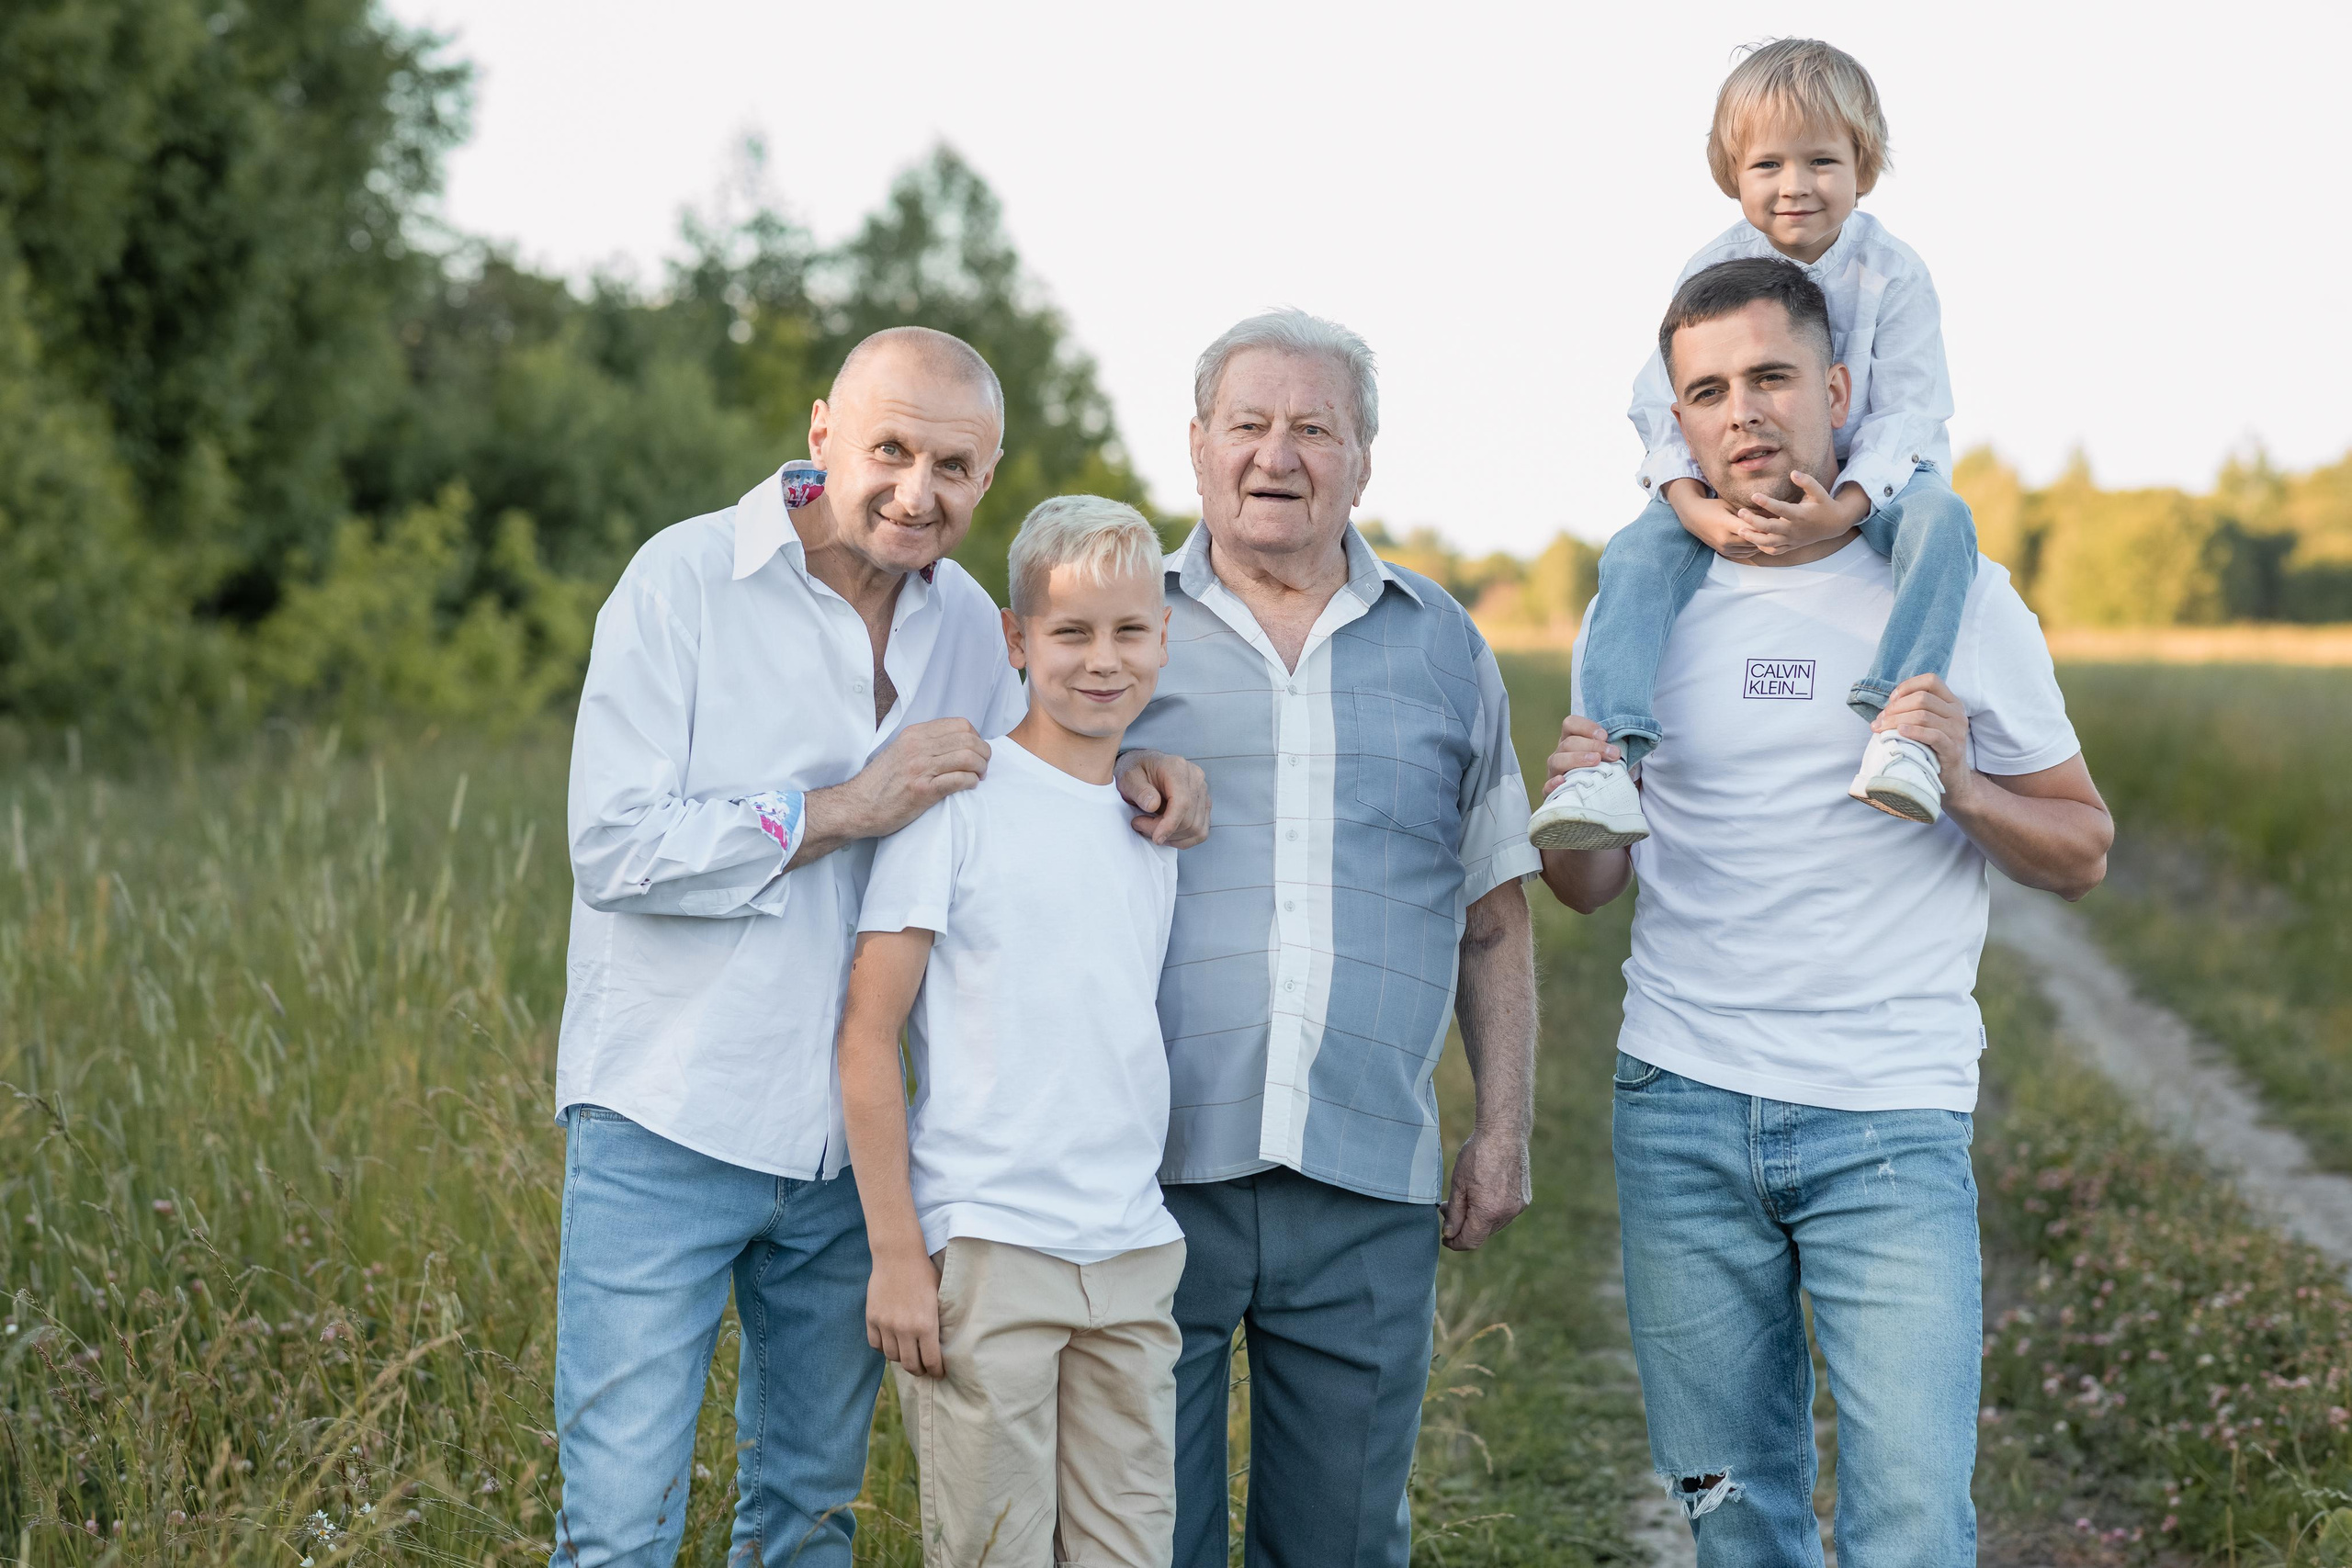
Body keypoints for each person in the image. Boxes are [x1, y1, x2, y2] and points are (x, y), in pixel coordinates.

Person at [551, 329, 1208, 1567]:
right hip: (669, 1113)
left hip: (861, 1152)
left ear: (989, 469)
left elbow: (1052, 746)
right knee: (618, 1523)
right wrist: (846, 804)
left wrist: (1150, 770)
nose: (919, 489)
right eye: (891, 450)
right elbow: (614, 845)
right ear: (821, 438)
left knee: (805, 1515)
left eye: (954, 465)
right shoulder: (685, 580)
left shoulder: (970, 620)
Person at [1536, 258, 2113, 1564]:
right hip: (1680, 1104)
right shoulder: (1641, 609)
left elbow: (2080, 847)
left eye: (1771, 376)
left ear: (1839, 389)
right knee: (1734, 1519)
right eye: (1708, 390)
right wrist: (1577, 793)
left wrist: (1964, 783)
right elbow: (1591, 887)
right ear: (1674, 421)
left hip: (1890, 1115)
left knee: (1910, 1521)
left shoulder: (1950, 593)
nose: (1742, 412)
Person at [1118, 309, 1544, 1568]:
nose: (1277, 453)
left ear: (1364, 456)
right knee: (1145, 1535)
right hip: (1145, 1160)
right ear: (1197, 446)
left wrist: (1505, 1126)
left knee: (1345, 1541)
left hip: (1365, 1171)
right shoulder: (1116, 627)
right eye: (1248, 424)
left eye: (1315, 427)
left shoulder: (1445, 644)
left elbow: (1495, 913)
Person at [839, 494, 1187, 1568]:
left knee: (1130, 1552)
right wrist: (899, 1252)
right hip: (989, 1250)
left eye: (1129, 632)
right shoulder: (957, 806)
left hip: (1130, 1249)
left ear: (1162, 640)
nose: (1101, 661)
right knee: (995, 1554)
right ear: (1017, 638)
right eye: (1071, 633)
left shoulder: (1153, 822)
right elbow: (866, 1035)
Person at [1530, 37, 1975, 852]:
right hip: (1729, 485)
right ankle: (1609, 759)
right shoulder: (1714, 269)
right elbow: (1659, 399)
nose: (1795, 186)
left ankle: (1900, 729)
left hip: (1876, 482)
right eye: (1767, 165)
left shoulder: (1895, 274)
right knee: (1633, 558)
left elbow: (1909, 414)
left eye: (1821, 161)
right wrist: (1689, 507)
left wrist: (1839, 511)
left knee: (1946, 526)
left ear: (1863, 168)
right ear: (1733, 175)